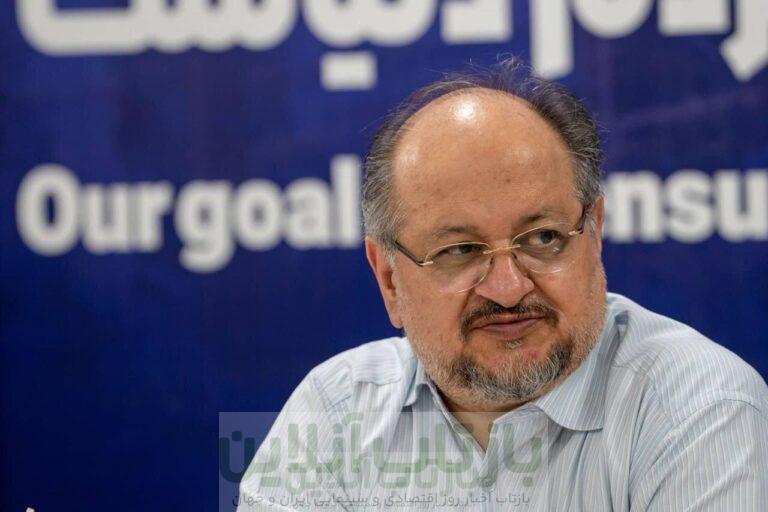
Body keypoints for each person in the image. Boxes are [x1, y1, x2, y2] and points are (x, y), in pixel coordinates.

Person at [237, 59, 768, 511]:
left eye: (542, 238)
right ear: (389, 279)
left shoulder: (701, 408)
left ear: (595, 234)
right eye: (460, 251)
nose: (509, 288)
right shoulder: (335, 411)